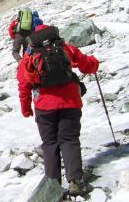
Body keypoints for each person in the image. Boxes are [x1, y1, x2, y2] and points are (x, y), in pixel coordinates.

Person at [17, 24, 99, 196]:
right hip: (70, 102)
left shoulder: (30, 55)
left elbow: (24, 84)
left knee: (50, 145)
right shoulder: (63, 47)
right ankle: (76, 181)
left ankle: (53, 187)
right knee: (69, 140)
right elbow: (86, 64)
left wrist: (26, 108)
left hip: (44, 107)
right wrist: (94, 64)